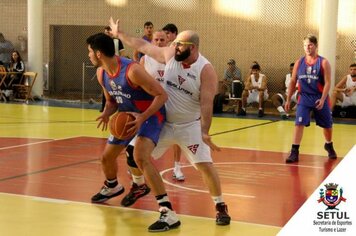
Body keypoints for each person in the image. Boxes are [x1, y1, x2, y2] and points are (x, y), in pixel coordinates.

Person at [110, 17, 231, 229]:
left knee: (204, 166)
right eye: (174, 44)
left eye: (179, 44)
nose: (173, 46)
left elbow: (206, 105)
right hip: (164, 123)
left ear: (192, 48)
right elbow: (143, 46)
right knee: (133, 154)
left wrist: (205, 131)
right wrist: (120, 34)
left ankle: (220, 205)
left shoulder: (206, 70)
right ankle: (141, 187)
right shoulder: (170, 55)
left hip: (189, 126)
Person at [86, 33, 180, 232]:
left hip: (151, 115)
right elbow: (112, 102)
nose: (89, 56)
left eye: (89, 52)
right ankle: (112, 186)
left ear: (99, 53)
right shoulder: (103, 73)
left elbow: (162, 96)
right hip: (128, 117)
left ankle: (167, 212)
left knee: (140, 157)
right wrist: (106, 113)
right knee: (106, 157)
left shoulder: (132, 71)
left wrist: (142, 117)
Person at [285, 34, 337, 163]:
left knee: (327, 125)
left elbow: (328, 83)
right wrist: (288, 99)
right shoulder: (299, 62)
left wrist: (323, 99)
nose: (307, 48)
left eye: (310, 45)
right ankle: (294, 151)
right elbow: (292, 81)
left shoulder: (323, 62)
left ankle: (328, 144)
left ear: (315, 46)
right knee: (299, 123)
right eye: (305, 45)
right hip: (304, 97)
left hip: (320, 97)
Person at [100, 26, 126, 112]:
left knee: (119, 87)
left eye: (109, 32)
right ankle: (105, 106)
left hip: (117, 67)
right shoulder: (102, 43)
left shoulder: (117, 41)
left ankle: (121, 106)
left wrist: (120, 63)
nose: (108, 33)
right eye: (106, 32)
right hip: (106, 67)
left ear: (112, 32)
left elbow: (122, 53)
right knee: (106, 86)